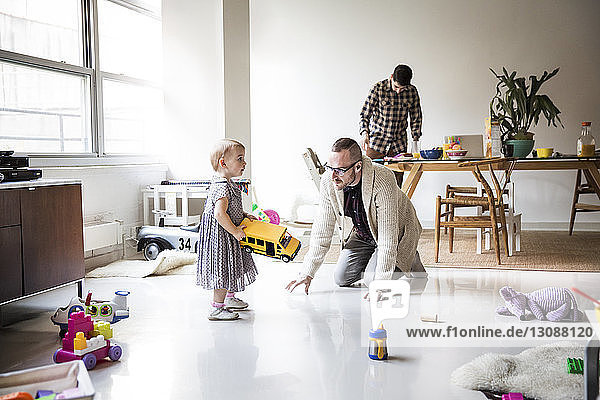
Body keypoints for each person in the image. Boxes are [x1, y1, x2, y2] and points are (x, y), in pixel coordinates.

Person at [286, 138, 426, 295]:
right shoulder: (329, 181)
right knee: (341, 278)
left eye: (339, 170)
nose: (333, 176)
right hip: (364, 232)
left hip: (398, 233)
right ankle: (375, 259)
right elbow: (321, 231)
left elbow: (388, 238)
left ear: (358, 166)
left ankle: (410, 255)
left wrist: (381, 284)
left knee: (371, 281)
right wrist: (307, 273)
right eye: (329, 168)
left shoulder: (383, 179)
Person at [197, 139, 258, 320]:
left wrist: (244, 215)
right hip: (222, 237)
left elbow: (231, 209)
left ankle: (229, 298)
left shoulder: (228, 182)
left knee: (232, 266)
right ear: (223, 163)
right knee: (223, 269)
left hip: (228, 235)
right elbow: (219, 214)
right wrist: (235, 231)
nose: (244, 163)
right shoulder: (221, 186)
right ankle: (216, 308)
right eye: (240, 159)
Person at [359, 64, 422, 185]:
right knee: (370, 181)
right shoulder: (378, 88)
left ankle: (396, 204)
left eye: (402, 89)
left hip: (398, 145)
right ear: (391, 77)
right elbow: (364, 115)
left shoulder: (412, 91)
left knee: (397, 183)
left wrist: (415, 141)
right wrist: (364, 134)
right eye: (396, 86)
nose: (398, 91)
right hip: (377, 143)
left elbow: (416, 117)